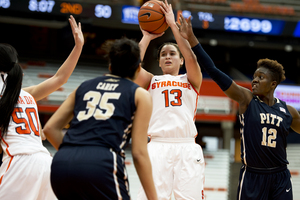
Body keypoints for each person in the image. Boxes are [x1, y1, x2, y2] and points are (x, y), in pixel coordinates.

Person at [177, 13, 300, 200]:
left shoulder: (288, 111)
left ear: (273, 84)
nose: (255, 80)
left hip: (280, 177)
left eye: (261, 77)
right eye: (254, 76)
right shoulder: (247, 99)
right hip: (253, 176)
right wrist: (192, 39)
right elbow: (214, 72)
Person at [43, 37, 158, 200]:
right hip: (101, 162)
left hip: (62, 164)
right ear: (138, 69)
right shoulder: (140, 94)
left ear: (110, 66)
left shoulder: (83, 86)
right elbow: (139, 153)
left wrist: (74, 154)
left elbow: (50, 129)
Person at [0, 15, 84, 200]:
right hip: (46, 163)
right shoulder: (23, 93)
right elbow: (59, 79)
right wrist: (78, 47)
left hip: (19, 162)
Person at [135, 1, 205, 199]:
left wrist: (172, 25)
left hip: (186, 145)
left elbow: (192, 58)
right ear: (158, 61)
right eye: (163, 54)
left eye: (172, 54)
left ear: (181, 60)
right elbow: (131, 67)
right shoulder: (151, 79)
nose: (167, 57)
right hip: (157, 144)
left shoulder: (191, 79)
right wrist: (146, 37)